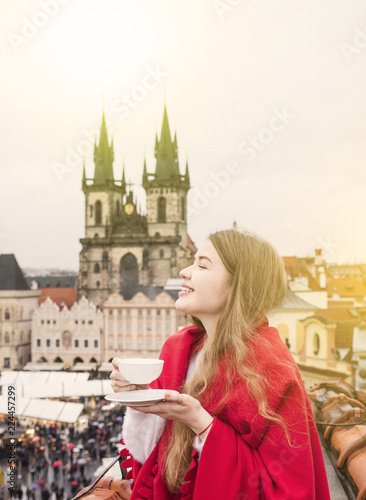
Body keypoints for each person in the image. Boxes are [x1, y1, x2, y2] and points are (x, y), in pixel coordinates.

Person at [110, 228, 331, 499]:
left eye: (202, 265)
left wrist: (200, 422)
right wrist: (140, 400)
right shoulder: (178, 348)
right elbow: (150, 459)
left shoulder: (270, 368)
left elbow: (285, 489)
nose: (184, 272)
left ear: (239, 284)